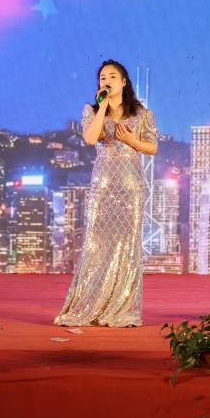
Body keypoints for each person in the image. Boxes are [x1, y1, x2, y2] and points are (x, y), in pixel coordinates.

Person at [55, 59, 158, 327]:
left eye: (112, 76)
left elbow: (152, 147)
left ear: (124, 81)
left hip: (130, 186)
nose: (107, 81)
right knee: (96, 243)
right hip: (103, 185)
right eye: (102, 78)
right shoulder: (91, 110)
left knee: (128, 245)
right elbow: (90, 138)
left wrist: (132, 141)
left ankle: (124, 309)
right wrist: (101, 107)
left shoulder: (142, 114)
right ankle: (91, 306)